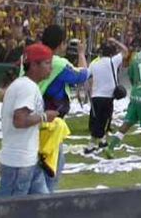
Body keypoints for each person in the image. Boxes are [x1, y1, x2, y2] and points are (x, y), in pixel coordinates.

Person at [0, 44, 58, 197]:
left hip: (28, 160)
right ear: (33, 65)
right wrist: (45, 116)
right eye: (47, 63)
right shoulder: (27, 87)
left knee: (43, 204)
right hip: (18, 163)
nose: (50, 68)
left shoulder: (25, 85)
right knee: (10, 210)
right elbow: (19, 121)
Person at [38, 25, 90, 192]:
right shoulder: (58, 63)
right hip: (49, 125)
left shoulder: (32, 57)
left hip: (33, 117)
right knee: (51, 170)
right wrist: (81, 53)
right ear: (60, 44)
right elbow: (83, 74)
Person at [85, 38, 128, 154]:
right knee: (102, 121)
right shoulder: (112, 61)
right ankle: (92, 144)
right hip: (108, 96)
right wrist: (116, 41)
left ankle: (101, 141)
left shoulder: (94, 64)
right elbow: (125, 51)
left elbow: (87, 76)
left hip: (96, 96)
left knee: (97, 120)